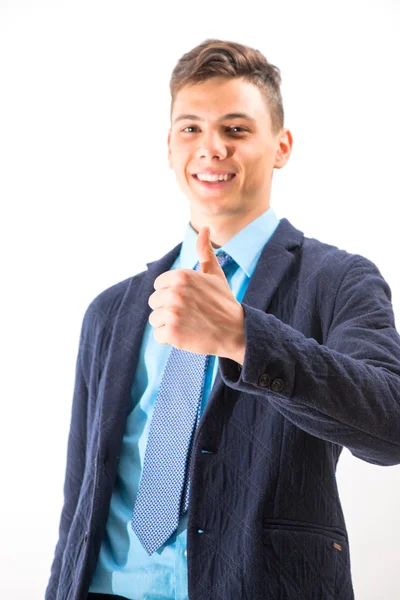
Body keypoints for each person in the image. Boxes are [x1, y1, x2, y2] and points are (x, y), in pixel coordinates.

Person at [46, 38, 400, 600]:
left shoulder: (339, 281)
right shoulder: (111, 311)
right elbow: (80, 500)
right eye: (191, 129)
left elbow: (390, 425)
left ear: (281, 146)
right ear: (168, 147)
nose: (211, 148)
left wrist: (243, 336)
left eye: (236, 129)